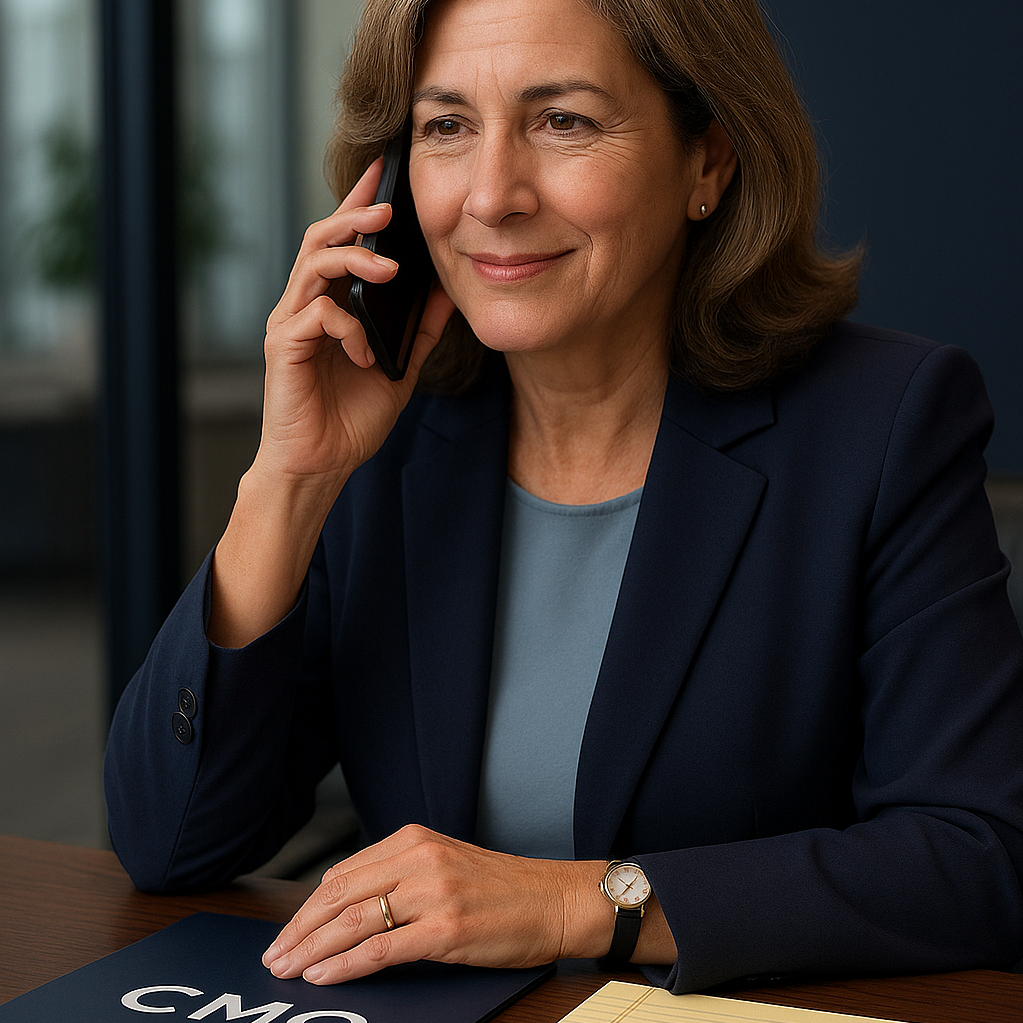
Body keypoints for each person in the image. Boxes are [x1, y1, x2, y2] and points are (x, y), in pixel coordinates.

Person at [104, 0, 1023, 995]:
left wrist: (572, 904)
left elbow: (979, 858)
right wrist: (287, 480)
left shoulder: (883, 426)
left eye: (563, 121)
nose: (492, 195)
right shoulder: (388, 436)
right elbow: (170, 842)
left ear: (707, 161)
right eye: (447, 126)